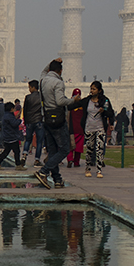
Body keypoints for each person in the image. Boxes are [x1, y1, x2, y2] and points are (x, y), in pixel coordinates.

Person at [35, 58, 81, 189]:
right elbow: (60, 101)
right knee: (65, 149)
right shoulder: (58, 83)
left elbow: (44, 71)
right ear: (60, 71)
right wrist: (73, 100)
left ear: (50, 69)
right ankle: (43, 171)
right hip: (58, 119)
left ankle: (58, 180)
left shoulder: (43, 80)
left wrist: (52, 61)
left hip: (46, 119)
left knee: (53, 150)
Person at [82, 81, 115, 178]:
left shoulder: (104, 101)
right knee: (89, 149)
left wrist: (103, 111)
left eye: (93, 89)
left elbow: (110, 113)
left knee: (99, 149)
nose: (91, 91)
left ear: (99, 90)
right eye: (91, 89)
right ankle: (87, 168)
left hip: (100, 128)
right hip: (89, 128)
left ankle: (99, 170)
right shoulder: (88, 100)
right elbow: (76, 105)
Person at [21, 81, 44, 167]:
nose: (29, 89)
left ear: (33, 87)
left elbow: (25, 110)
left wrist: (26, 122)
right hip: (39, 121)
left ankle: (24, 155)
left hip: (30, 122)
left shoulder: (28, 97)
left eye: (30, 87)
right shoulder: (41, 97)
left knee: (28, 140)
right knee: (39, 142)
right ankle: (37, 160)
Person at [0, 102, 22, 169]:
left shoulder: (6, 115)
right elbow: (14, 124)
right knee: (16, 151)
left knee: (6, 151)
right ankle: (18, 165)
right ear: (11, 109)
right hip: (12, 136)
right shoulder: (9, 116)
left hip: (7, 136)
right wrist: (19, 120)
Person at [66, 88, 85, 168]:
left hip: (71, 129)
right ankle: (76, 162)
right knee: (78, 148)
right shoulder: (82, 105)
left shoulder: (70, 105)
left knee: (70, 146)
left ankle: (70, 160)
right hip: (80, 129)